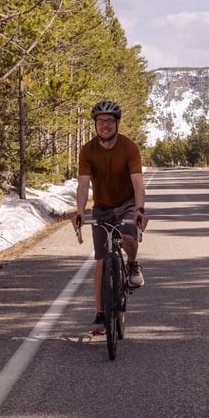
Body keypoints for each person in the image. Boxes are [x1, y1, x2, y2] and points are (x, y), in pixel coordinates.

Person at [72, 100, 147, 335]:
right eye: (101, 121)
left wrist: (140, 210)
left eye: (110, 121)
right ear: (95, 124)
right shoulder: (87, 150)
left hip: (127, 203)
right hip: (103, 207)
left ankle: (133, 264)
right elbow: (83, 185)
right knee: (102, 260)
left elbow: (137, 182)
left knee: (127, 237)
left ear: (117, 123)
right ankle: (101, 315)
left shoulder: (129, 147)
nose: (105, 125)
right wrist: (80, 212)